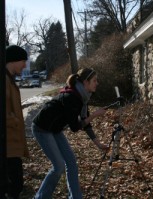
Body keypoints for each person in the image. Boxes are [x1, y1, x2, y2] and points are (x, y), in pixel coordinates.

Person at [32, 68, 109, 199]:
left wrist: (98, 143)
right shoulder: (72, 97)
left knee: (71, 162)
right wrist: (95, 115)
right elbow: (75, 127)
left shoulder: (82, 97)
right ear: (85, 82)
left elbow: (86, 122)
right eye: (95, 80)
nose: (97, 83)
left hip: (55, 129)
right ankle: (41, 197)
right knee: (59, 166)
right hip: (42, 128)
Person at [1, 45, 29, 199]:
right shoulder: (4, 80)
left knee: (16, 186)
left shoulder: (9, 79)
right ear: (13, 60)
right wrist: (16, 120)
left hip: (12, 146)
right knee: (13, 187)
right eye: (23, 61)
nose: (25, 65)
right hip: (8, 146)